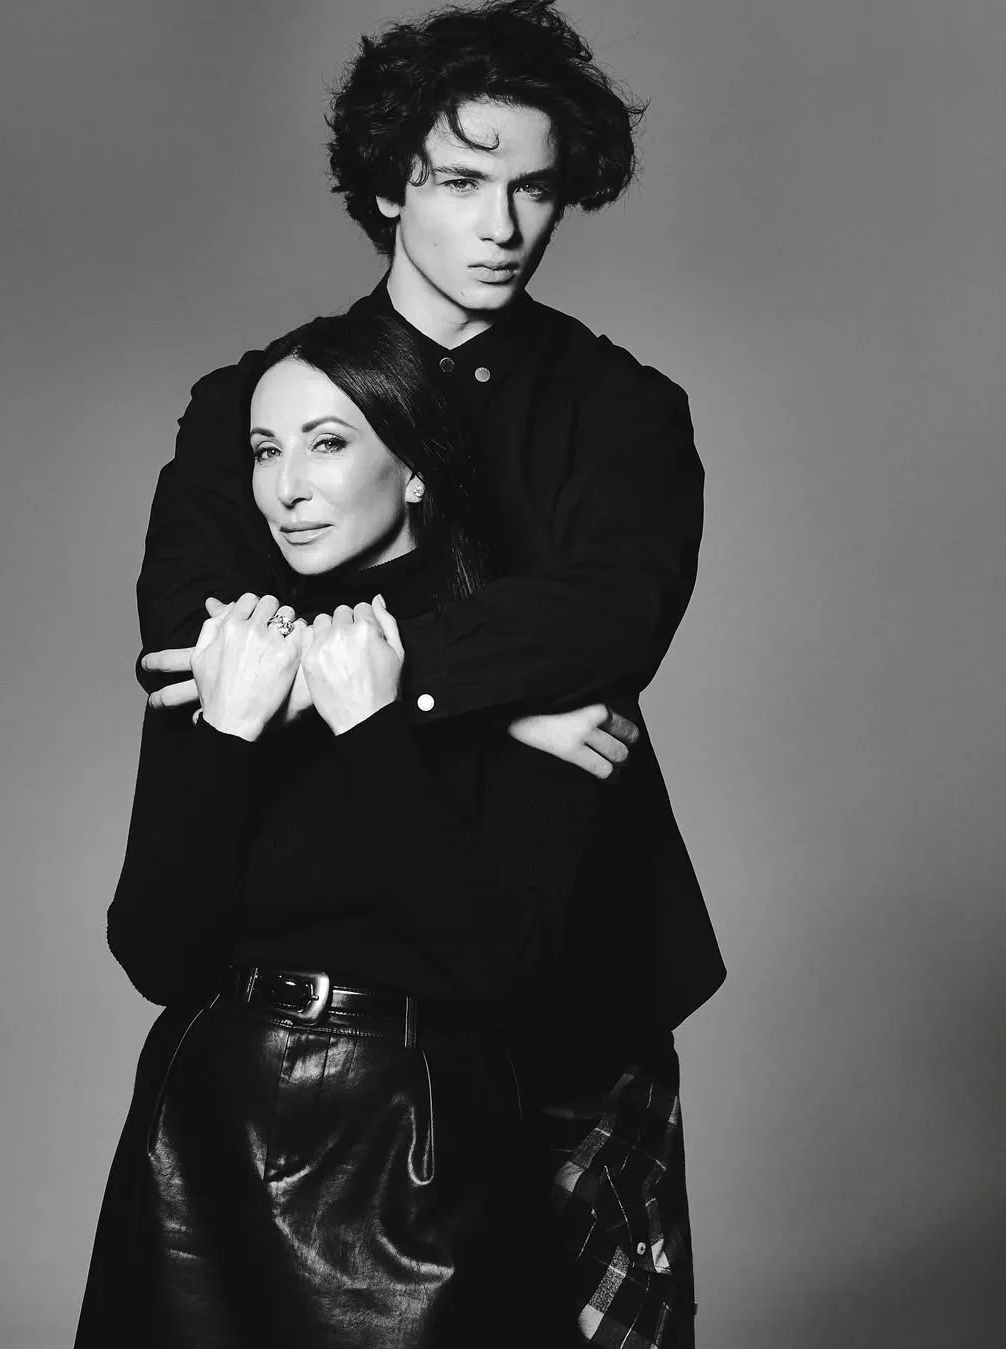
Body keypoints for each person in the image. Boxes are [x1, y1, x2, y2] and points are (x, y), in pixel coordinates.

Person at [134, 1, 725, 1342]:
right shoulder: (256, 406)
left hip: (577, 979)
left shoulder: (622, 410)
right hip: (325, 1013)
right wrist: (499, 708)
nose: (503, 225)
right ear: (392, 186)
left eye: (536, 189)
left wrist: (366, 675)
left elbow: (612, 622)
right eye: (462, 182)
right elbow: (191, 645)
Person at [77, 313, 613, 1347]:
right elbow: (156, 953)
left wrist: (376, 725)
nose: (286, 487)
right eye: (264, 450)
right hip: (202, 1136)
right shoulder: (234, 648)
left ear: (414, 467)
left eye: (327, 443)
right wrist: (228, 733)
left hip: (422, 1143)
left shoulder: (516, 660)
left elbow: (498, 966)